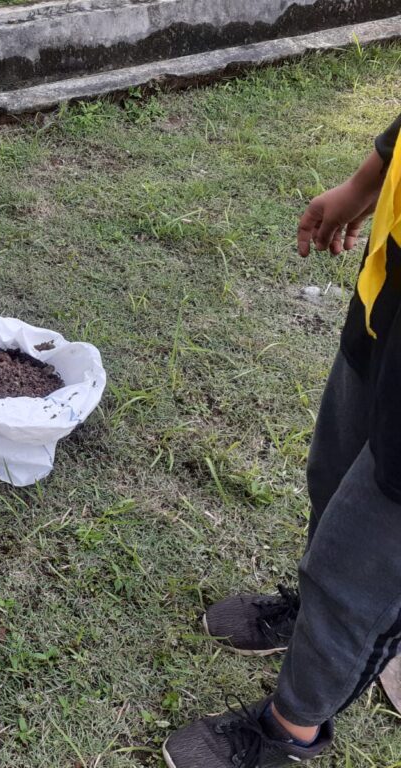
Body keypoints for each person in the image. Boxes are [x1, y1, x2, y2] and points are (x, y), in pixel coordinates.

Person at [162, 113, 401, 767]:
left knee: (365, 568)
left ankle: (289, 732)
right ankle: (306, 622)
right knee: (334, 473)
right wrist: (367, 181)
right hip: (392, 291)